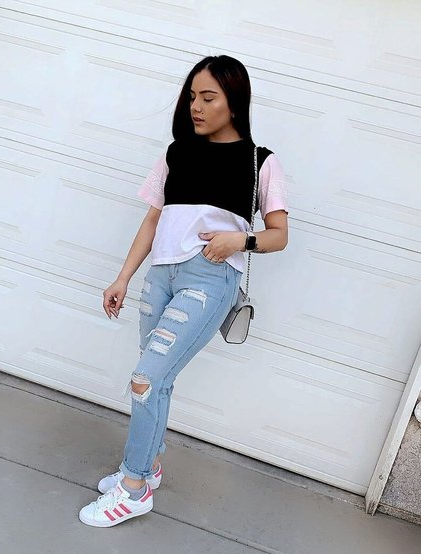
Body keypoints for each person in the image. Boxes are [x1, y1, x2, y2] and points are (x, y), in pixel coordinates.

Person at [78, 54, 289, 527]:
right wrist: (123, 277)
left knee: (145, 380)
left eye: (208, 97)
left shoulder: (260, 161)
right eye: (192, 96)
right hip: (161, 277)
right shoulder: (176, 152)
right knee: (159, 381)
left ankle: (133, 489)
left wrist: (239, 240)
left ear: (234, 102)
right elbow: (153, 220)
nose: (196, 106)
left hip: (209, 280)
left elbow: (279, 235)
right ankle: (148, 466)